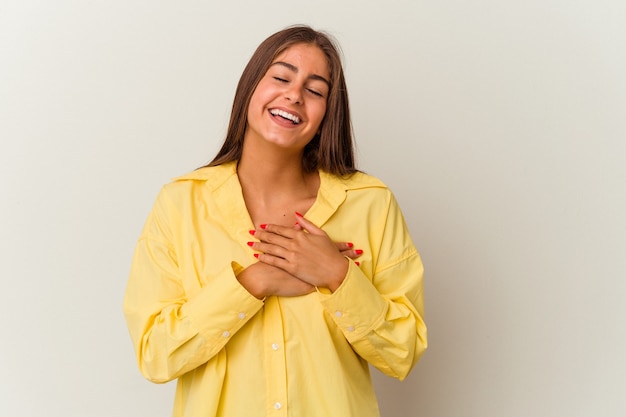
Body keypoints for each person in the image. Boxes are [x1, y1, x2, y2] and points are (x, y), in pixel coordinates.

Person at [123, 25, 427, 417]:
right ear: (251, 87)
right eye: (282, 77)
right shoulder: (181, 203)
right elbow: (155, 354)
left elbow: (403, 352)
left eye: (315, 90)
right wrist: (254, 281)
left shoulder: (370, 204)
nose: (294, 95)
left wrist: (337, 276)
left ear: (327, 114)